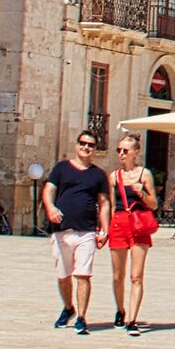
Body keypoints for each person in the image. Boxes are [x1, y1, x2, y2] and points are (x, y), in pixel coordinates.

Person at [43, 131, 110, 336]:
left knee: (83, 274)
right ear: (76, 145)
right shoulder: (61, 168)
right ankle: (68, 308)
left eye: (90, 145)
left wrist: (105, 229)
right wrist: (50, 208)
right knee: (63, 276)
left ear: (94, 149)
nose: (86, 147)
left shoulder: (98, 175)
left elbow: (104, 203)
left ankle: (81, 317)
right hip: (61, 230)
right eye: (83, 143)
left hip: (86, 231)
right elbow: (48, 190)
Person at [105, 136, 158, 336]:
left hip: (138, 223)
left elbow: (154, 204)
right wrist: (105, 229)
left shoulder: (145, 174)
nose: (121, 154)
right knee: (118, 276)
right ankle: (120, 310)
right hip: (119, 223)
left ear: (136, 152)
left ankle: (132, 320)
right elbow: (111, 205)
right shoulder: (114, 177)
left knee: (136, 276)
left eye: (125, 150)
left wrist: (141, 193)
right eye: (119, 150)